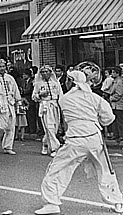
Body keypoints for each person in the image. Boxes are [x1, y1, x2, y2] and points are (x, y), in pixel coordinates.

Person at [35, 69, 123, 215]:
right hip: (94, 137)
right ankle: (117, 202)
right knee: (106, 171)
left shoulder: (65, 99)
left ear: (72, 81)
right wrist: (96, 120)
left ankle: (51, 202)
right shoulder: (95, 98)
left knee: (57, 169)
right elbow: (109, 117)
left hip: (75, 139)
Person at [0, 59, 22, 155]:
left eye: (3, 66)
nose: (2, 68)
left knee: (11, 126)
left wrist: (18, 101)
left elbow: (15, 90)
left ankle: (8, 147)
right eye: (0, 67)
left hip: (10, 102)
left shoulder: (10, 78)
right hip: (1, 102)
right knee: (1, 125)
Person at [33, 65, 63, 157]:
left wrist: (62, 106)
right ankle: (54, 148)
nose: (45, 74)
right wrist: (40, 95)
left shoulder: (56, 83)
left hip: (54, 106)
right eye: (43, 72)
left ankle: (45, 144)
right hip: (45, 106)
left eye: (47, 72)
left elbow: (60, 95)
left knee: (54, 128)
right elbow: (34, 97)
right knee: (49, 127)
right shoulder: (38, 84)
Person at [110, 67, 123, 145]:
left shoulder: (119, 82)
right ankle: (116, 135)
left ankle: (121, 135)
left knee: (119, 121)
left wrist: (111, 98)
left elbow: (119, 93)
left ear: (117, 73)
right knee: (115, 121)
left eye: (113, 72)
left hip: (118, 104)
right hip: (115, 105)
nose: (112, 74)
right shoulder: (115, 81)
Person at [22, 69, 37, 135]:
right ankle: (28, 128)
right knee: (27, 115)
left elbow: (30, 90)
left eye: (24, 74)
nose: (23, 76)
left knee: (31, 116)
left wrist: (23, 91)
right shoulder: (24, 82)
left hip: (30, 100)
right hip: (25, 100)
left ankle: (32, 129)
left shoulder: (32, 82)